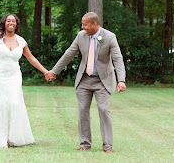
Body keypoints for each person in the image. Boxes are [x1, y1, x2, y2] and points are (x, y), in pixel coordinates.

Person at [45, 12, 126, 153]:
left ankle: (107, 146)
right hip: (84, 79)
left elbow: (118, 59)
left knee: (103, 109)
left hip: (103, 81)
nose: (82, 27)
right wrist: (54, 71)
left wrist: (121, 80)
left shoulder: (109, 37)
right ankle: (85, 144)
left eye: (85, 24)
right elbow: (68, 54)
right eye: (82, 24)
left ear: (94, 24)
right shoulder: (80, 36)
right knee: (82, 111)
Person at [0, 13, 48, 149]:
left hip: (14, 76)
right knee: (0, 104)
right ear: (4, 23)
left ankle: (13, 137)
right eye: (8, 20)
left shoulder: (21, 41)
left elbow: (32, 59)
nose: (11, 23)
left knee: (14, 103)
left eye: (13, 21)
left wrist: (45, 71)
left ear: (16, 24)